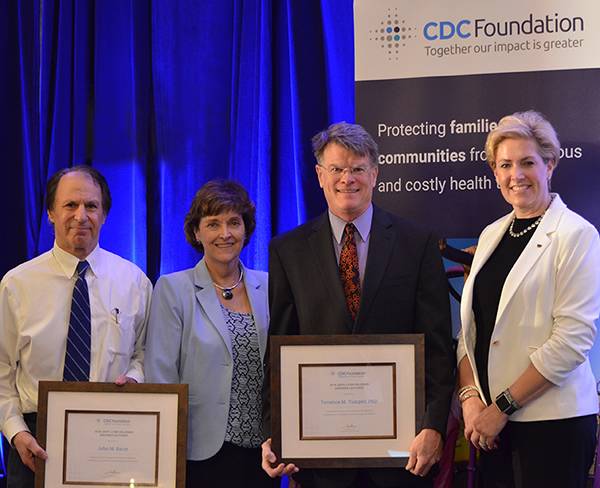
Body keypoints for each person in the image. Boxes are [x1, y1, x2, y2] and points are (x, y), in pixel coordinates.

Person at [261, 122, 455, 488]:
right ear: (320, 175)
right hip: (320, 459)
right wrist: (276, 432)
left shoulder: (418, 243)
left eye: (357, 169)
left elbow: (439, 348)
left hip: (403, 455)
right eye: (336, 169)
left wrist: (433, 426)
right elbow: (280, 350)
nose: (346, 179)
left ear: (375, 174)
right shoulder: (288, 251)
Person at [457, 110, 600, 488]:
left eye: (527, 163)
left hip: (553, 427)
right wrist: (471, 399)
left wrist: (501, 407)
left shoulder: (576, 235)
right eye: (504, 164)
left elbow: (572, 341)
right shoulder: (491, 235)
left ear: (550, 165)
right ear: (494, 172)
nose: (515, 175)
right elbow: (472, 329)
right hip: (490, 428)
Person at [0, 165, 152, 488]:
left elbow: (145, 353)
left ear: (105, 215)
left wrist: (136, 378)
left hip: (113, 434)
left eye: (91, 206)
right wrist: (16, 432)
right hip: (34, 440)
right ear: (51, 212)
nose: (81, 216)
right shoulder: (16, 285)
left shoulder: (134, 282)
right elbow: (1, 370)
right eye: (70, 205)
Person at [145, 180, 275, 488]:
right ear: (196, 232)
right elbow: (161, 376)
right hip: (198, 453)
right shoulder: (173, 289)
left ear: (246, 229)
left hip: (262, 453)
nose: (225, 234)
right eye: (213, 224)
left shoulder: (270, 286)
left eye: (234, 222)